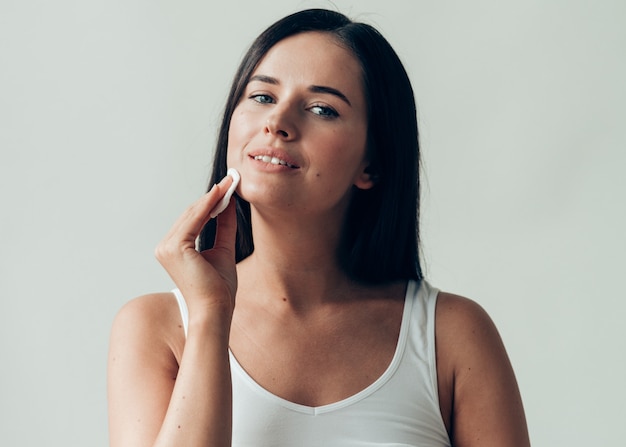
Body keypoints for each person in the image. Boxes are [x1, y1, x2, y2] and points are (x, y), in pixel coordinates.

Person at [107, 8, 530, 447]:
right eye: (262, 97)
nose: (277, 122)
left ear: (373, 164)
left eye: (322, 109)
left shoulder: (453, 336)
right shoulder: (157, 326)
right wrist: (212, 315)